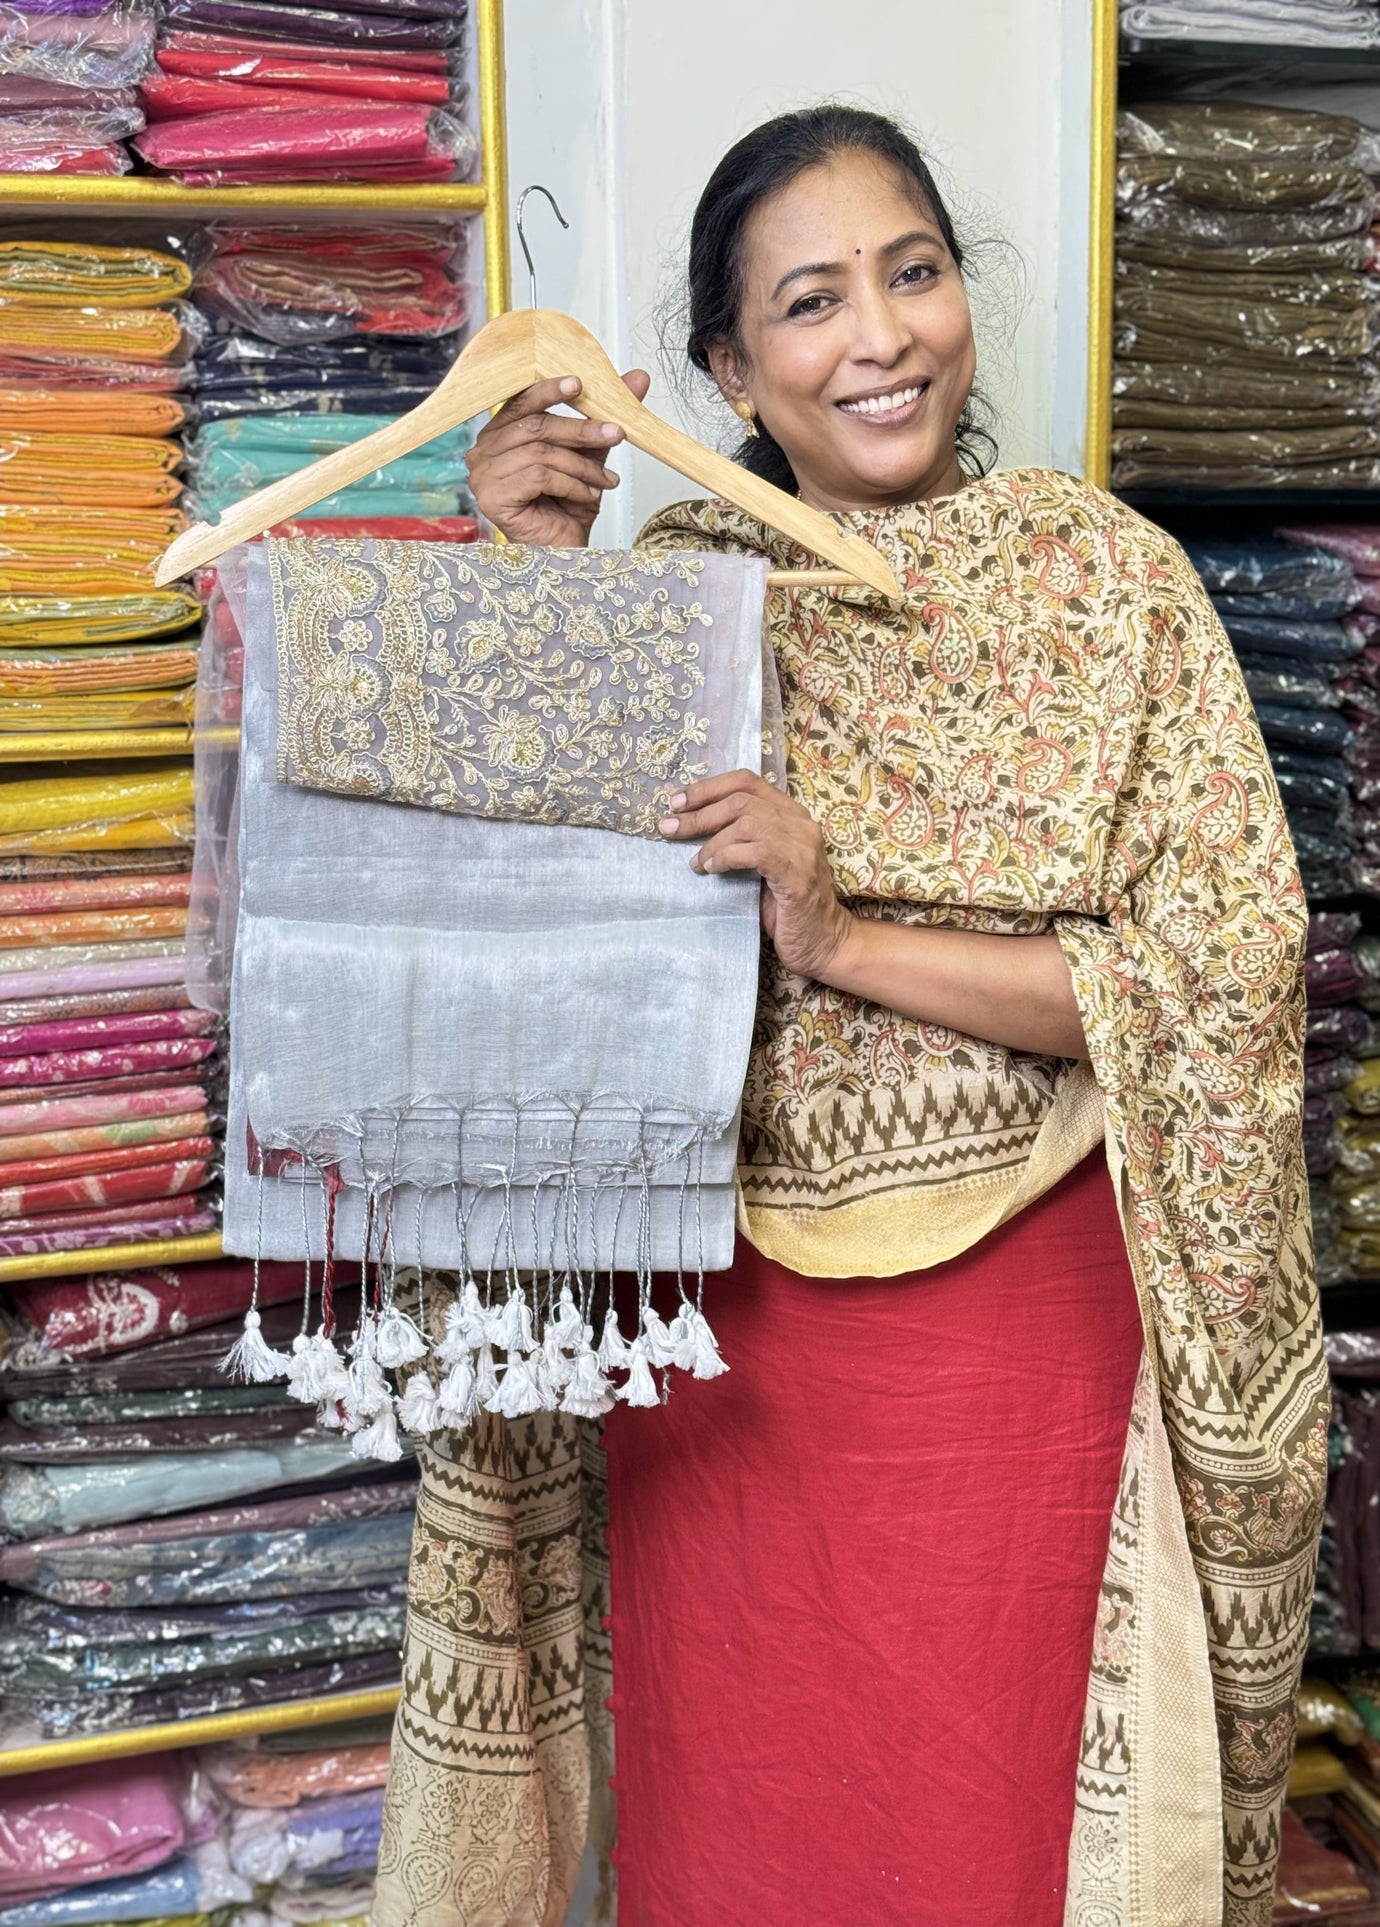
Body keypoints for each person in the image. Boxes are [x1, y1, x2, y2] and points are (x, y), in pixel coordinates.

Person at [399, 105, 1329, 1927]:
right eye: (811, 303)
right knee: (755, 1823)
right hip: (730, 1353)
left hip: (1028, 1340)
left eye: (912, 274)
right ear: (731, 367)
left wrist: (833, 929)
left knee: (997, 1836)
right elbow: (500, 955)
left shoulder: (1106, 584)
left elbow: (1214, 983)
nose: (881, 337)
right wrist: (525, 594)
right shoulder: (674, 606)